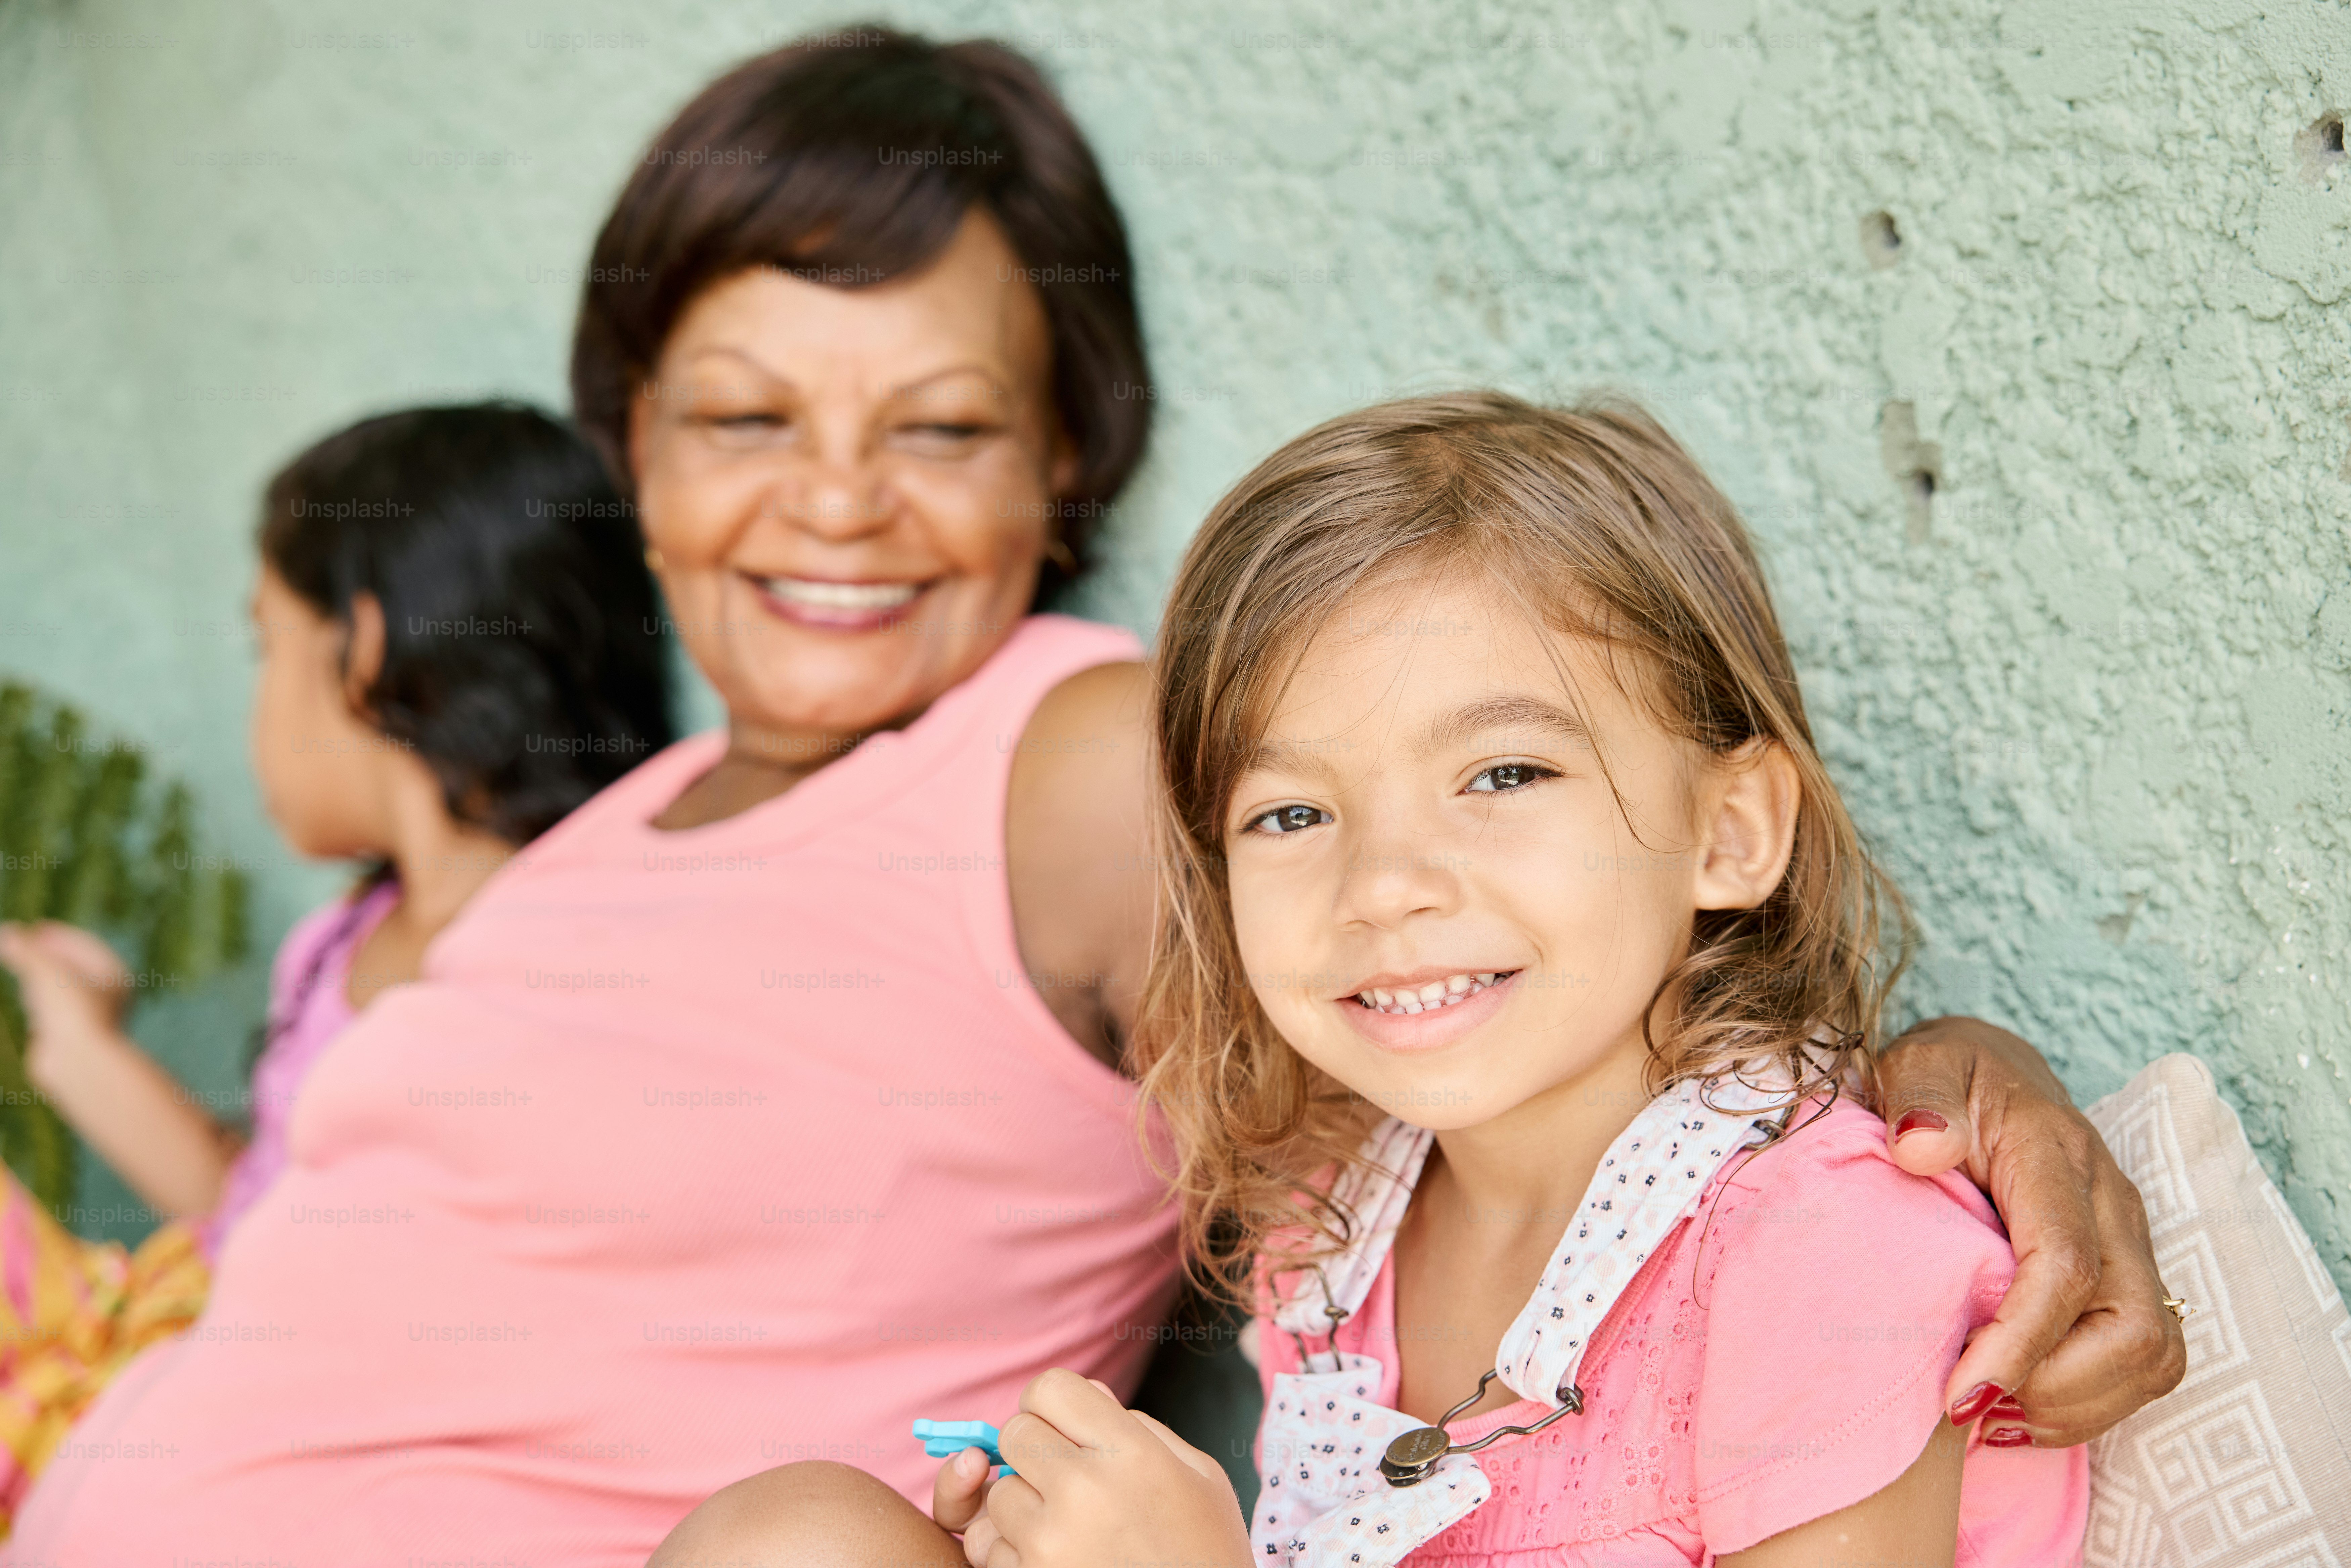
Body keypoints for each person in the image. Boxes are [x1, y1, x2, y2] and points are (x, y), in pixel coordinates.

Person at [6, 31, 2177, 1568]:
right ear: (636, 453)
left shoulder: (1067, 765)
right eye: (746, 413)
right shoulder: (620, 816)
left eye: (943, 427)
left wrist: (1955, 1100)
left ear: (1069, 470)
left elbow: (1531, 1000)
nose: (835, 499)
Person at [666, 394, 2093, 1567]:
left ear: (1730, 830)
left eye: (1503, 774)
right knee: (793, 1541)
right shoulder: (1342, 1210)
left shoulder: (1816, 1250)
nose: (1384, 883)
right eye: (1292, 815)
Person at [0, 401, 670, 1535]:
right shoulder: (351, 937)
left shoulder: (566, 964)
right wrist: (81, 1046)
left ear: (362, 649)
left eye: (268, 643)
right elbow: (255, 1200)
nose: (259, 693)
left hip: (292, 1433)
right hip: (200, 1343)